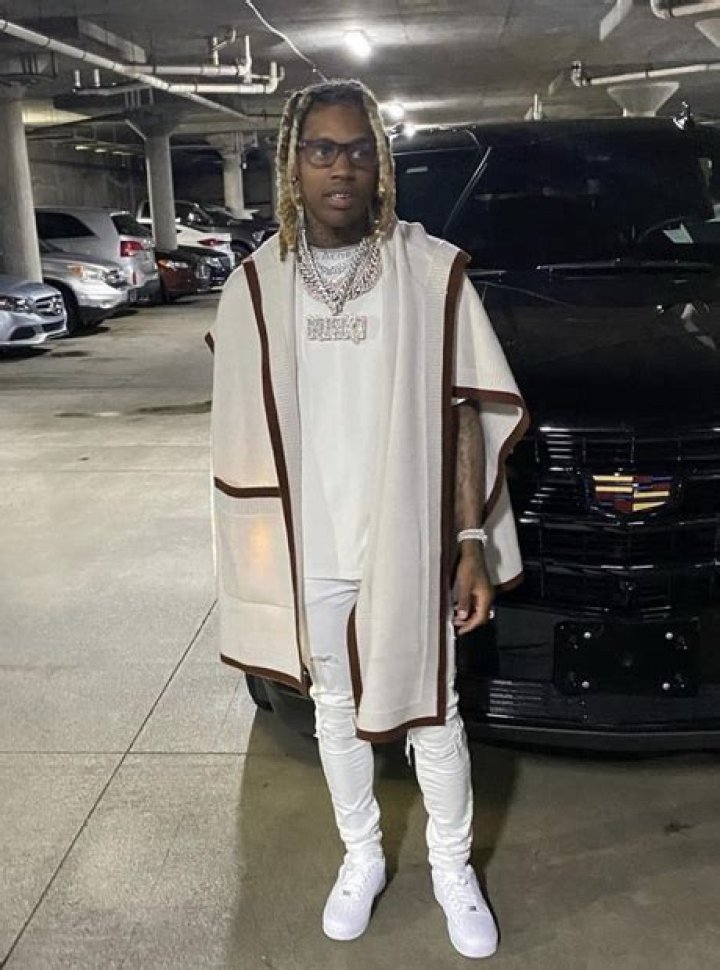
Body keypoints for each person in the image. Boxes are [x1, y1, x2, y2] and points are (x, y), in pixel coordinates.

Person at [207, 79, 528, 960]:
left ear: (380, 164)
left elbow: (465, 413)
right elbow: (237, 428)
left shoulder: (426, 273)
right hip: (310, 548)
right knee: (335, 709)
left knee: (432, 711)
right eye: (322, 150)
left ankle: (452, 868)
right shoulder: (257, 287)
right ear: (293, 164)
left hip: (409, 540)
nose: (340, 168)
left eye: (357, 150)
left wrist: (470, 542)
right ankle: (362, 856)